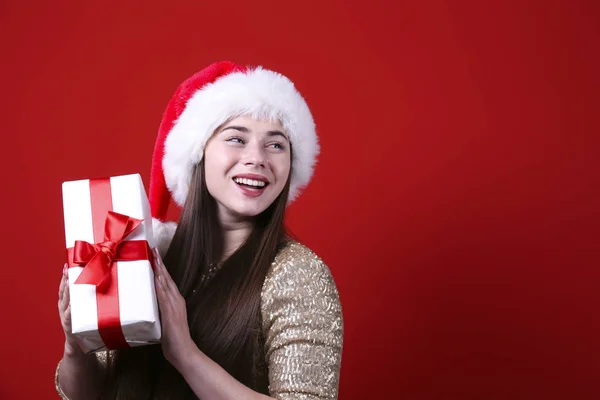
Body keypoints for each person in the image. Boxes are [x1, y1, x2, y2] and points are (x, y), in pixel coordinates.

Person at [55, 61, 344, 399]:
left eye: (276, 145)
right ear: (199, 153)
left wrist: (185, 354)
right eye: (236, 138)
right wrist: (75, 345)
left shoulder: (298, 274)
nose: (257, 158)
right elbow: (93, 394)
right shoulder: (146, 257)